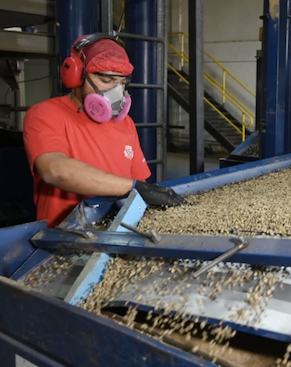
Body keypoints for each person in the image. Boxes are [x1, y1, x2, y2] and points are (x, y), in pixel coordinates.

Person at [23, 33, 184, 228]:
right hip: (64, 236)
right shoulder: (46, 114)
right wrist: (134, 187)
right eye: (107, 80)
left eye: (122, 82)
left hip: (118, 229)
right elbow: (56, 171)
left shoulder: (126, 124)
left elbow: (137, 186)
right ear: (77, 75)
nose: (117, 91)